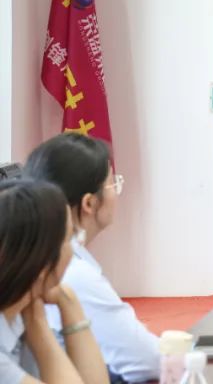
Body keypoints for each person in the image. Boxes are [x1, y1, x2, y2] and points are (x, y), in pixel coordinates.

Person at [22, 133, 159, 382]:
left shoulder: (61, 263)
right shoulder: (73, 273)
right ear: (89, 203)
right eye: (113, 183)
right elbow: (147, 362)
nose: (117, 192)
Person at [0, 178, 108, 384]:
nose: (74, 251)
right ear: (42, 260)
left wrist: (68, 301)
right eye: (69, 239)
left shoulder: (19, 314)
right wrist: (38, 327)